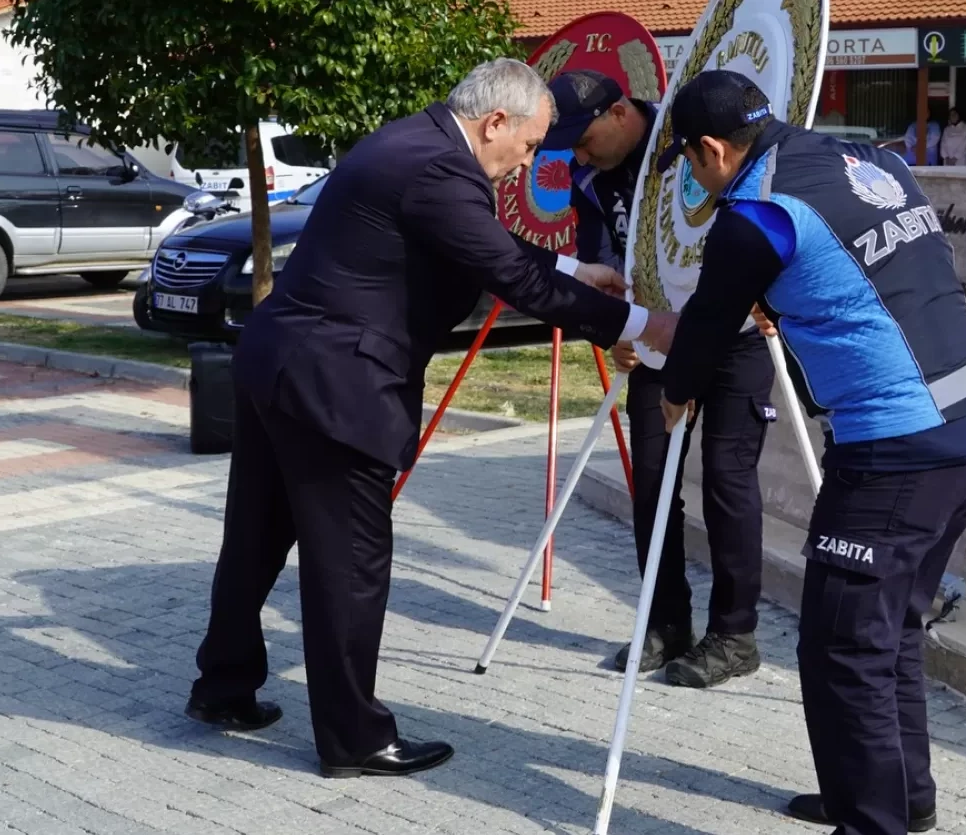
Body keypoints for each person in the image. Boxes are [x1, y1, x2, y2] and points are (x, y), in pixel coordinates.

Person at [187, 57, 675, 780]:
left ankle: (224, 687)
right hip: (337, 383)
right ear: (496, 122)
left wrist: (573, 271)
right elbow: (506, 275)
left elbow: (479, 247)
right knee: (351, 563)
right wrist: (640, 323)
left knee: (255, 538)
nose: (531, 161)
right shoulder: (442, 169)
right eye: (533, 143)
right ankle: (353, 737)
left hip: (281, 359)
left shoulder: (419, 144)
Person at [647, 71, 966, 835]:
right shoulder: (869, 159)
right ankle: (896, 798)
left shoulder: (757, 214)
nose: (692, 174)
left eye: (688, 160)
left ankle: (871, 820)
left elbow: (706, 326)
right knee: (892, 626)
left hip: (895, 451)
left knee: (843, 645)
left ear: (711, 149)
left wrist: (673, 392)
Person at [540, 69, 776, 688]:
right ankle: (665, 621)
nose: (578, 153)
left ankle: (734, 633)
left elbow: (769, 217)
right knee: (651, 481)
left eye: (584, 137)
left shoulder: (694, 136)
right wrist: (614, 329)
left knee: (727, 481)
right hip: (655, 340)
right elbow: (600, 264)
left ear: (620, 112)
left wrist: (769, 297)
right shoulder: (588, 176)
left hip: (735, 338)